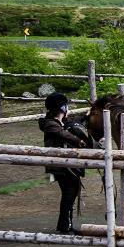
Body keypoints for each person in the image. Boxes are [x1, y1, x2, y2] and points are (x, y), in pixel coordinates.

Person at [38, 93, 88, 234]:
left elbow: (73, 123)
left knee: (70, 193)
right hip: (60, 166)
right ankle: (65, 226)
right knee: (68, 193)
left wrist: (86, 116)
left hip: (66, 165)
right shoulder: (50, 124)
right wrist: (79, 141)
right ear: (61, 107)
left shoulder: (60, 122)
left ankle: (65, 224)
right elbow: (62, 134)